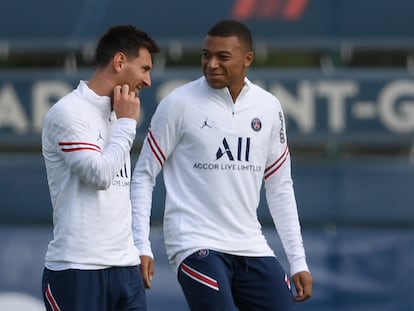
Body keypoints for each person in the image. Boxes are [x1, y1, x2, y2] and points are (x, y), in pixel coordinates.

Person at [131, 20, 312, 310]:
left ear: (247, 59)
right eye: (206, 55)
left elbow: (280, 186)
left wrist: (298, 260)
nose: (211, 64)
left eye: (222, 57)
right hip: (194, 243)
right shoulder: (177, 103)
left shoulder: (268, 106)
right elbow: (143, 176)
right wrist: (141, 245)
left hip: (250, 244)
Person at [41, 25, 159, 311]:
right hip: (78, 269)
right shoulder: (69, 112)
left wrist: (139, 247)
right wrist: (128, 124)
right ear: (119, 62)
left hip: (126, 269)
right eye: (144, 69)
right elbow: (99, 175)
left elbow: (121, 193)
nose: (148, 80)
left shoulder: (119, 113)